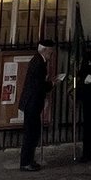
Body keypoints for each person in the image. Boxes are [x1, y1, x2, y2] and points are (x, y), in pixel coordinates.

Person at [19, 38, 63, 171]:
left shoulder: (39, 61)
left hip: (33, 102)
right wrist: (52, 83)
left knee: (34, 132)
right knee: (30, 133)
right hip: (32, 102)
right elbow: (38, 85)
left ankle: (29, 160)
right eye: (50, 52)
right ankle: (25, 162)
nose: (51, 54)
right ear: (44, 50)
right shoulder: (38, 62)